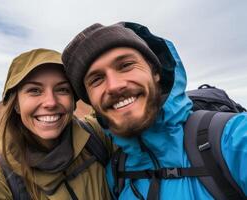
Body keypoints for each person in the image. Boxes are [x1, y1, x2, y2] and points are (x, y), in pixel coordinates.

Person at [62, 22, 247, 199]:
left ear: (155, 71)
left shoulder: (233, 139)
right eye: (96, 79)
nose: (114, 86)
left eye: (126, 65)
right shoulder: (116, 173)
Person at [0, 48, 112, 200]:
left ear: (73, 102)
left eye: (62, 89)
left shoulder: (97, 135)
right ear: (16, 104)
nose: (50, 102)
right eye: (35, 90)